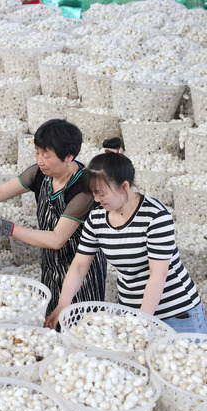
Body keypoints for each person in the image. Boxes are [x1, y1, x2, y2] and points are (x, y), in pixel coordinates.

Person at [44, 138, 205, 333]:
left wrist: (142, 322)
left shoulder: (155, 215)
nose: (97, 199)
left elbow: (158, 274)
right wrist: (63, 304)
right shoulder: (97, 218)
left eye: (102, 194)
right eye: (93, 193)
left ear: (124, 187)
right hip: (133, 314)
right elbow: (79, 266)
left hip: (176, 315)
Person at [0, 119, 107, 316]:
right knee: (50, 318)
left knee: (78, 321)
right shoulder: (39, 173)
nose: (40, 160)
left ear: (69, 157)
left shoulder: (83, 189)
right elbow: (0, 192)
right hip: (51, 265)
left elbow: (57, 239)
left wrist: (9, 228)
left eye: (46, 155)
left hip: (81, 270)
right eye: (37, 152)